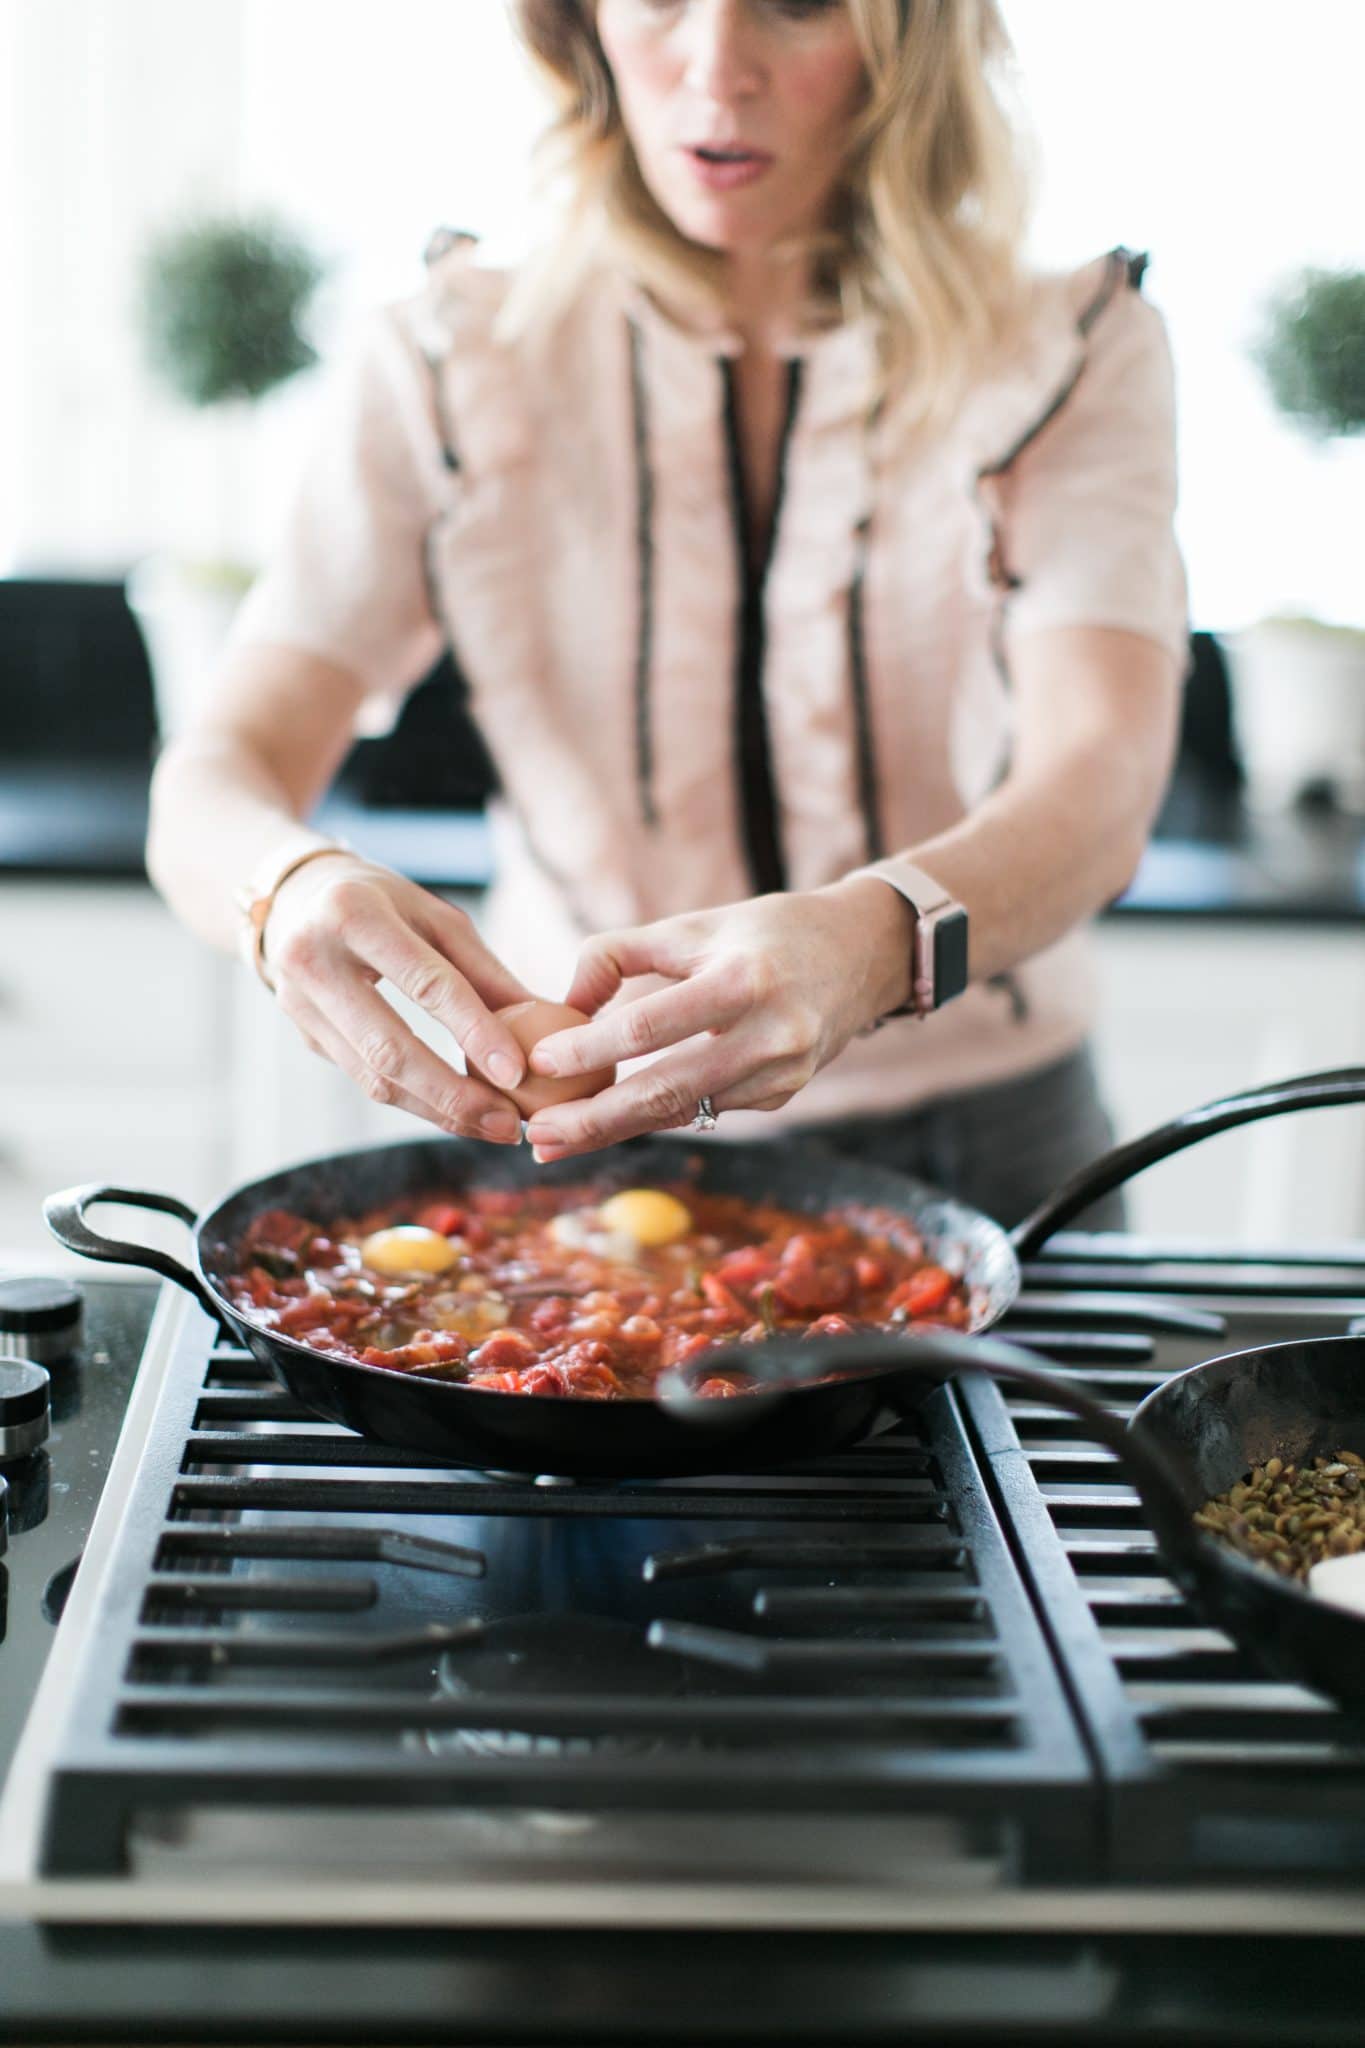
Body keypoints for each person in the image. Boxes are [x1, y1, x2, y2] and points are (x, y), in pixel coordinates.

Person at [147, 0, 1186, 1229]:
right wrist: (289, 890)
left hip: (994, 1149)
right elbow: (211, 781)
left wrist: (868, 946)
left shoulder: (1073, 349)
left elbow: (1103, 777)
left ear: (907, 40)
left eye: (795, 6)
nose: (716, 68)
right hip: (582, 1128)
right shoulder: (443, 360)